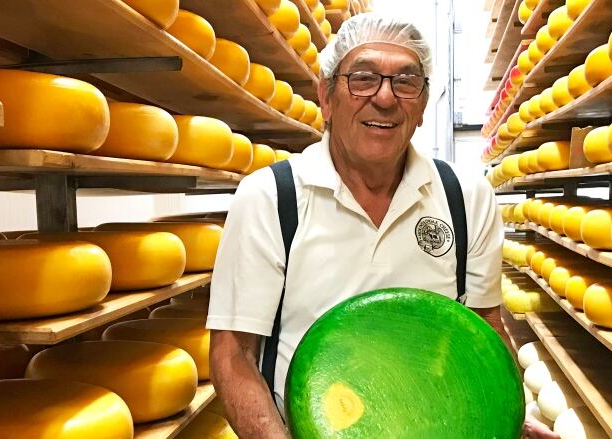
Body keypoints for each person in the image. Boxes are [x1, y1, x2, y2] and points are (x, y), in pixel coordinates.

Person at [207, 12, 558, 439]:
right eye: (362, 78)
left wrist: (502, 419)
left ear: (424, 105)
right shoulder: (270, 197)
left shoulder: (464, 196)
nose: (386, 98)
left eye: (406, 81)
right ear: (327, 96)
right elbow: (234, 352)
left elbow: (485, 327)